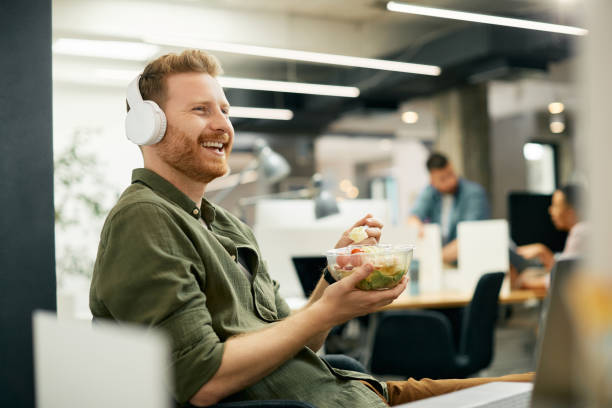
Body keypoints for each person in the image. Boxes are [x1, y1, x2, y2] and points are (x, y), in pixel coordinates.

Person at [89, 50, 531, 408]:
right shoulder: (145, 219)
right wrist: (327, 309)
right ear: (148, 126)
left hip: (359, 392)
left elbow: (300, 339)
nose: (223, 125)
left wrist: (332, 279)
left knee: (544, 385)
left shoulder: (225, 224)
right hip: (328, 403)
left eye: (224, 109)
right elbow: (199, 381)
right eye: (201, 110)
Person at [407, 152, 490, 264]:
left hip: (469, 260)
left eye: (451, 174)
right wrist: (416, 227)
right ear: (432, 180)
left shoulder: (474, 194)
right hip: (442, 262)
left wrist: (434, 259)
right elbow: (413, 217)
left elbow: (469, 236)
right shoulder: (430, 192)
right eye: (442, 179)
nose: (450, 181)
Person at [515, 184, 587, 289]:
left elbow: (561, 280)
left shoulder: (580, 232)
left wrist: (523, 282)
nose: (551, 211)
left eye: (555, 205)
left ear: (571, 212)